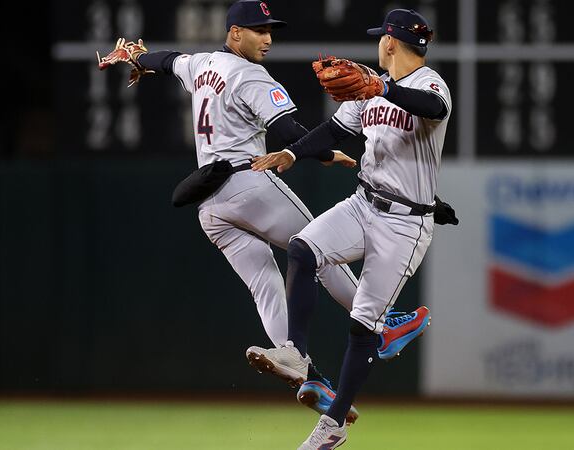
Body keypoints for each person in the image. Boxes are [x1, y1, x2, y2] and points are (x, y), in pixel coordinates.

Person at [97, 0, 361, 423]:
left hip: (210, 205)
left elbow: (169, 61)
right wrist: (329, 153)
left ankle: (308, 374)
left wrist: (140, 59)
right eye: (259, 30)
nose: (268, 39)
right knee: (317, 248)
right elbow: (287, 131)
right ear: (235, 32)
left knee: (265, 284)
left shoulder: (201, 64)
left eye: (270, 30)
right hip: (247, 184)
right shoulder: (250, 74)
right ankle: (381, 325)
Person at [245, 8, 450, 449]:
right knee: (302, 248)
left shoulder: (428, 83)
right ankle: (295, 353)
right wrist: (293, 153)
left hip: (405, 225)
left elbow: (433, 107)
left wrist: (383, 88)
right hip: (363, 203)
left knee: (362, 327)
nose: (377, 44)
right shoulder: (370, 89)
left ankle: (334, 423)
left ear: (390, 42)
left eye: (380, 37)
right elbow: (333, 131)